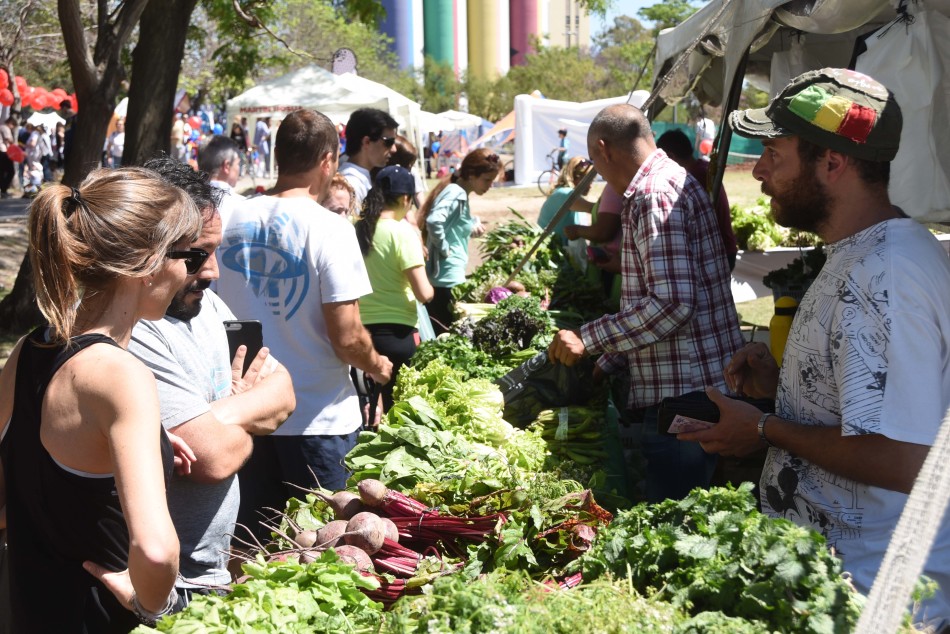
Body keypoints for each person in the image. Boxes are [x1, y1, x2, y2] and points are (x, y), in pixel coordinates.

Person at [678, 68, 950, 623]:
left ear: (833, 162)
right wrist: (787, 388)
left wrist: (762, 428)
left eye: (774, 153)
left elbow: (907, 460)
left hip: (869, 596)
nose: (757, 171)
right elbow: (874, 409)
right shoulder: (861, 254)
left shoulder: (885, 274)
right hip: (836, 579)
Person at [0, 168, 203, 632]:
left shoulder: (27, 352)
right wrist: (153, 606)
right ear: (148, 262)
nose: (188, 273)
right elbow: (155, 549)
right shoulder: (121, 376)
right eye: (186, 256)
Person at [547, 103, 744, 503]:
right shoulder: (673, 179)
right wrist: (607, 363)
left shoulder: (652, 194)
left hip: (686, 396)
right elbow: (661, 298)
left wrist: (589, 338)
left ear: (603, 149)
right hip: (698, 384)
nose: (599, 176)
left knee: (677, 523)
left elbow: (672, 305)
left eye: (596, 166)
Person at [129, 157, 295, 602]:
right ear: (152, 246)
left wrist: (215, 416)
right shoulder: (134, 330)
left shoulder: (208, 308)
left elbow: (283, 394)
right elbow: (212, 459)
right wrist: (239, 420)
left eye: (214, 252)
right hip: (165, 586)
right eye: (196, 255)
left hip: (209, 572)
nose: (213, 271)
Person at [216, 108, 392, 501]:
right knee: (319, 551)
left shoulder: (230, 219)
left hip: (245, 417)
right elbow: (346, 337)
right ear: (328, 160)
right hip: (318, 421)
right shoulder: (331, 229)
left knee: (253, 550)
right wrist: (378, 366)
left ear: (278, 155)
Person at [356, 165, 434, 411]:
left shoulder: (355, 227)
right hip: (397, 335)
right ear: (405, 199)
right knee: (397, 413)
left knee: (364, 409)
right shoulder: (402, 233)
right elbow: (424, 293)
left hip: (358, 332)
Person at [419, 148, 499, 334]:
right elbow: (434, 220)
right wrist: (445, 249)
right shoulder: (457, 193)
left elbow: (450, 227)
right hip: (446, 278)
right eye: (487, 180)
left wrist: (470, 228)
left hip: (448, 276)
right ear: (471, 175)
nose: (489, 186)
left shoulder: (458, 192)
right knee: (446, 333)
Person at [656, 129, 739, 270]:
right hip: (721, 249)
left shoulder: (693, 177)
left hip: (716, 252)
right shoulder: (701, 169)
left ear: (670, 156)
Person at [338, 108, 398, 208]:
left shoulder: (358, 178)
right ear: (367, 142)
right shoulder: (351, 184)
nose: (394, 149)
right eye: (389, 142)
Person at [536, 156, 596, 244]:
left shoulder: (568, 194)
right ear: (574, 178)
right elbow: (595, 208)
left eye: (592, 181)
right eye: (587, 180)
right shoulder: (565, 194)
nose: (590, 186)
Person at [198, 134, 245, 229]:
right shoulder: (243, 205)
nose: (238, 169)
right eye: (238, 164)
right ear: (227, 166)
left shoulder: (184, 202)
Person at [0, 117, 16, 198]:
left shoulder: (1, 127)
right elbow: (8, 140)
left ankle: (3, 189)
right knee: (11, 171)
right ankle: (4, 189)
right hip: (4, 151)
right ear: (10, 123)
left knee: (2, 171)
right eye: (13, 125)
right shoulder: (5, 128)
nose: (12, 127)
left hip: (2, 151)